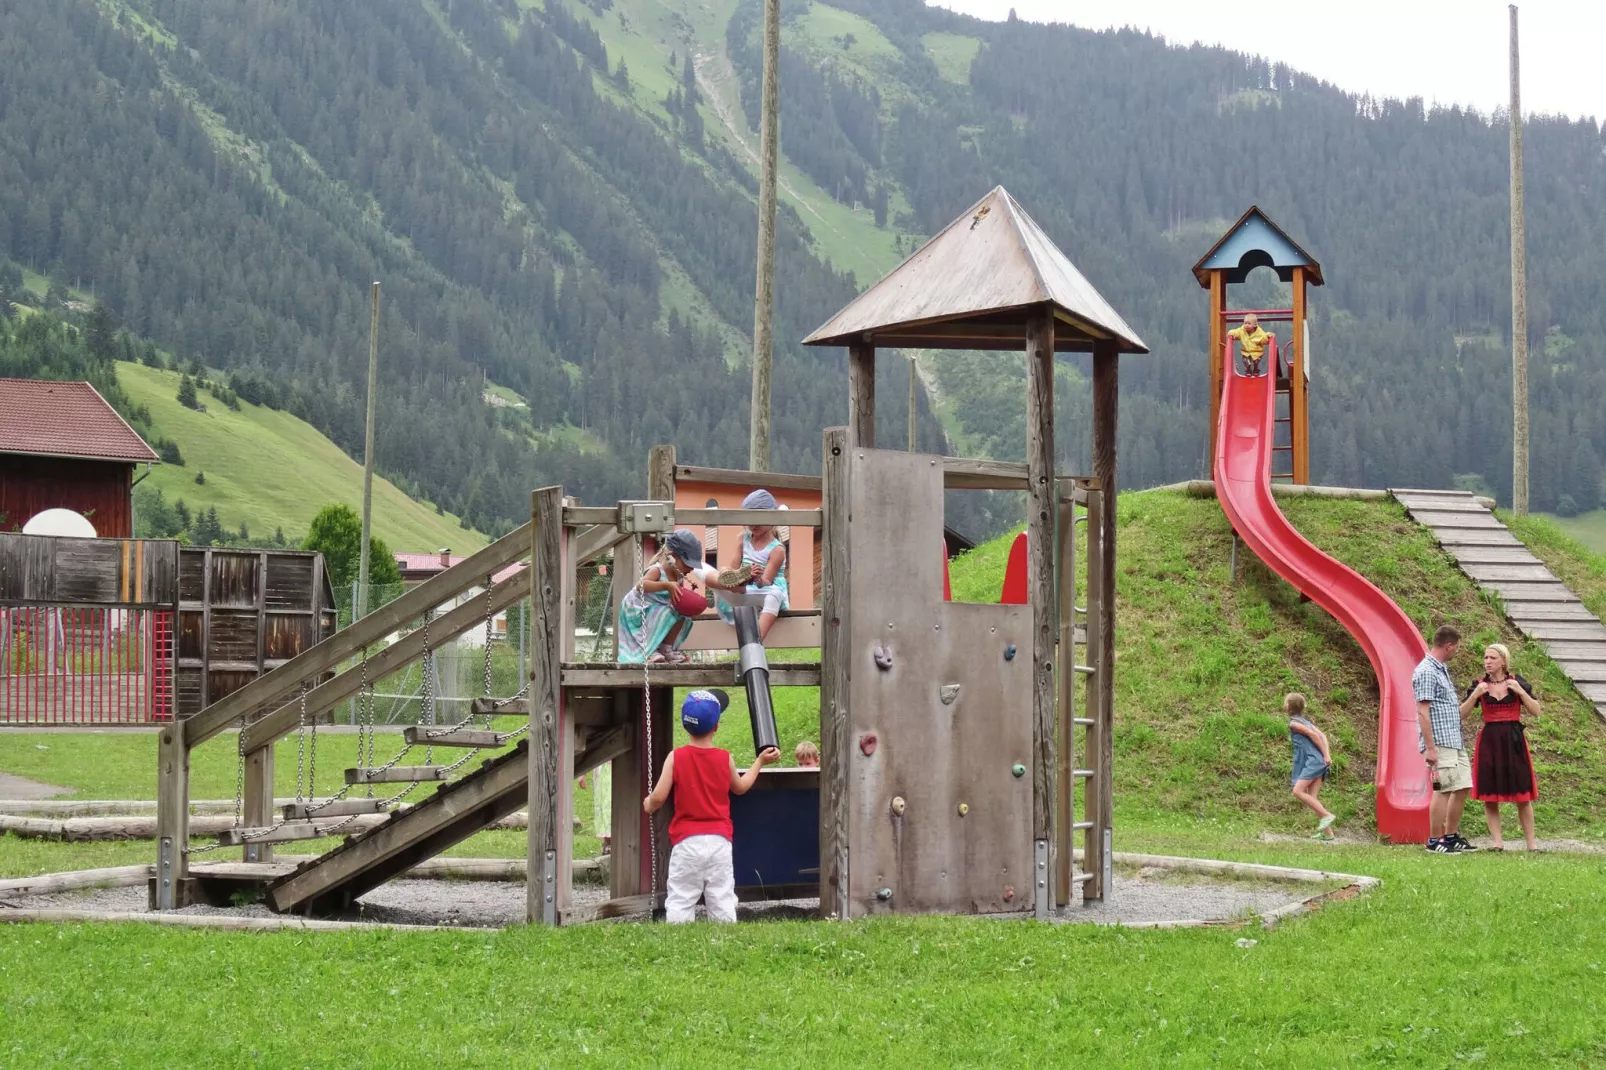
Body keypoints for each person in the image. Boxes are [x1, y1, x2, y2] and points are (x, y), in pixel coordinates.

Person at [642, 689, 779, 923]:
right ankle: (724, 937)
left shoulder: (676, 757)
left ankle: (678, 939)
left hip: (687, 843)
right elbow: (741, 787)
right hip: (719, 842)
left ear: (684, 725)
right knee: (721, 896)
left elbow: (658, 797)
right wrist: (759, 762)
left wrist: (648, 805)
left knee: (681, 897)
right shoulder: (724, 758)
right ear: (716, 727)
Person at [1463, 643, 1541, 851]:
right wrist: (1474, 695)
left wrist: (1521, 693)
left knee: (1522, 794)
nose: (1487, 661)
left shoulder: (1516, 683)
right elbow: (1461, 714)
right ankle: (1497, 844)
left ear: (1503, 661)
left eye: (1492, 658)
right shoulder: (1479, 685)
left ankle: (1532, 845)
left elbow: (1537, 711)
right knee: (1490, 794)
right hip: (1490, 740)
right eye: (1486, 658)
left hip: (1514, 741)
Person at [1413, 624, 1479, 853]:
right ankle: (1434, 840)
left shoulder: (1441, 669)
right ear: (1448, 645)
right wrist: (1430, 748)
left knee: (1461, 786)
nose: (1457, 651)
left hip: (1454, 740)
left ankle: (1450, 836)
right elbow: (1423, 711)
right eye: (1456, 647)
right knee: (1443, 788)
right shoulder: (1426, 671)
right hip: (1439, 743)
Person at [617, 530, 708, 664]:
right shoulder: (657, 570)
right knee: (666, 613)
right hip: (637, 610)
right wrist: (665, 585)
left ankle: (666, 650)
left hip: (656, 610)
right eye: (687, 564)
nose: (691, 569)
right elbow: (640, 586)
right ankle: (649, 651)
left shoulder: (679, 578)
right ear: (672, 557)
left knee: (683, 618)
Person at [714, 488, 789, 641]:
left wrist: (757, 578)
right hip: (746, 588)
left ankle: (755, 640)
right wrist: (731, 573)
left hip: (765, 589)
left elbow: (766, 581)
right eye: (750, 519)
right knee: (720, 575)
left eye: (759, 520)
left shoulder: (777, 549)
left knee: (773, 594)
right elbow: (734, 568)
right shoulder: (743, 538)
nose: (754, 525)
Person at [1285, 693, 1336, 840]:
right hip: (1318, 760)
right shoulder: (1306, 722)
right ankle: (1328, 834)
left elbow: (1314, 736)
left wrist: (1326, 755)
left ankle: (1327, 815)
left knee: (1297, 791)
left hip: (1313, 761)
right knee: (1312, 797)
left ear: (1288, 706)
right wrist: (1326, 756)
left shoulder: (1294, 724)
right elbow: (1323, 736)